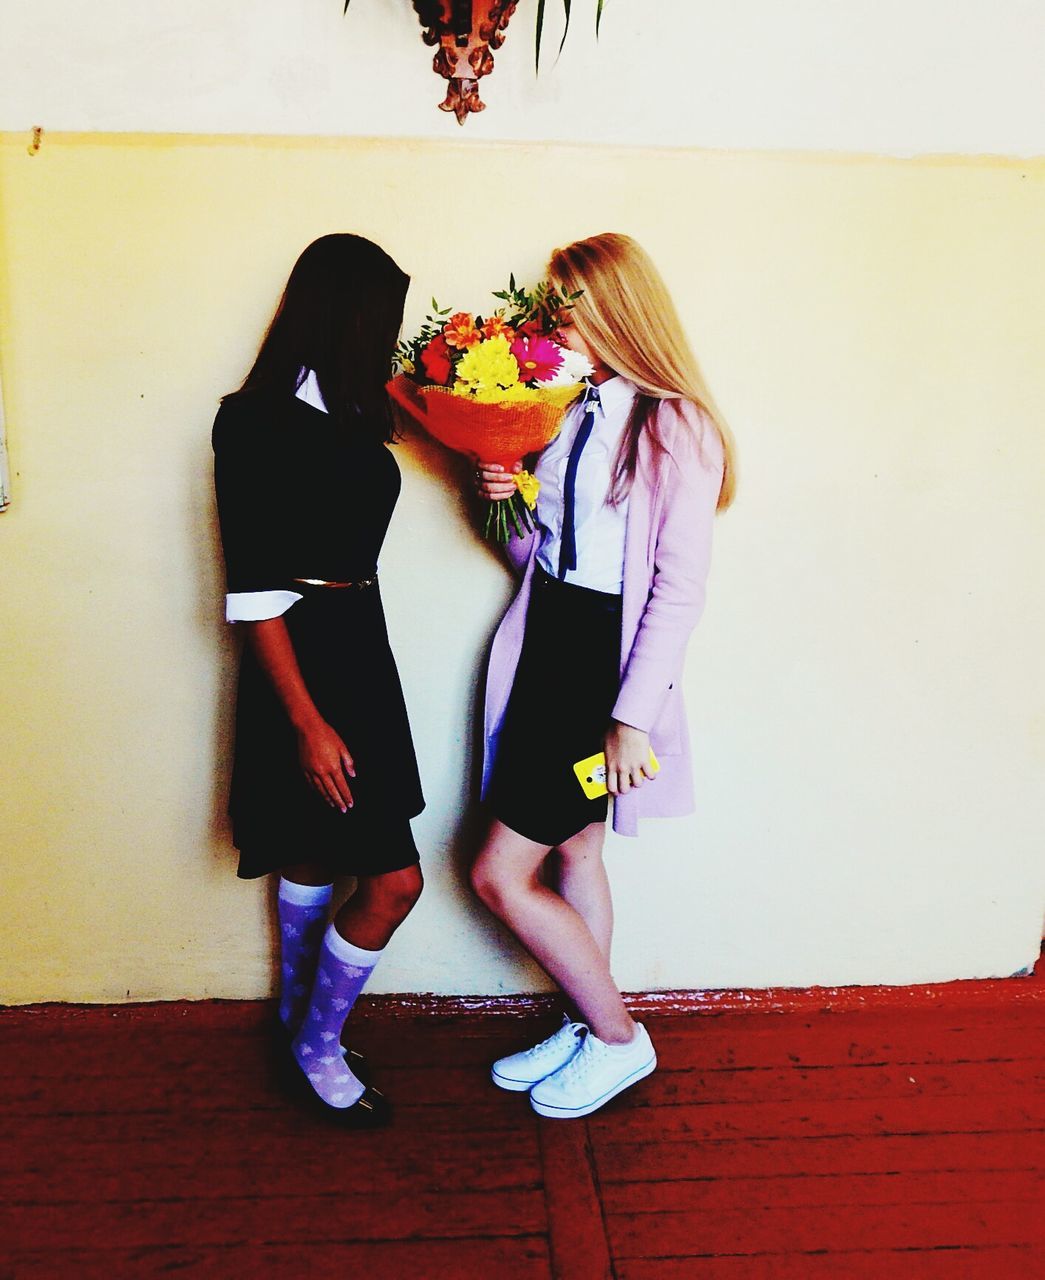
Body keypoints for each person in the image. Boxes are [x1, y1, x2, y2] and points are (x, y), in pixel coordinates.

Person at [471, 232, 736, 1119]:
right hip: (547, 640)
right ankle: (593, 1021)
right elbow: (533, 556)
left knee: (498, 875)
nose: (547, 328)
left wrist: (631, 716)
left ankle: (621, 1040)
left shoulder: (676, 425)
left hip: (601, 666)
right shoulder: (565, 409)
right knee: (575, 847)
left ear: (612, 313)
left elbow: (678, 587)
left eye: (563, 311)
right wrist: (501, 494)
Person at [212, 234, 424, 1127]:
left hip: (359, 641)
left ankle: (300, 1025)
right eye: (383, 320)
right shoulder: (251, 419)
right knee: (390, 878)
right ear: (348, 315)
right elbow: (253, 591)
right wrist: (304, 721)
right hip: (297, 654)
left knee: (315, 842)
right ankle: (315, 1043)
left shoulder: (354, 407)